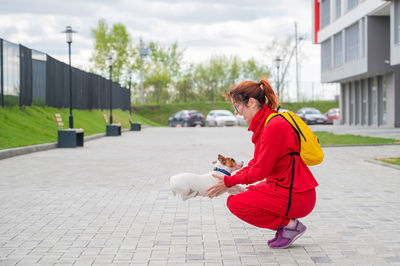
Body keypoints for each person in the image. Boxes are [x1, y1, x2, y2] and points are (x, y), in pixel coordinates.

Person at [206, 78, 318, 249]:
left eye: (237, 106)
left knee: (237, 203)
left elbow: (260, 170)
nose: (237, 112)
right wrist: (230, 180)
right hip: (285, 188)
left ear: (251, 102)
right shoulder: (267, 124)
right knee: (240, 195)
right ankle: (287, 226)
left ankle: (290, 226)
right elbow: (256, 163)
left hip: (296, 195)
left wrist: (229, 181)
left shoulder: (274, 126)